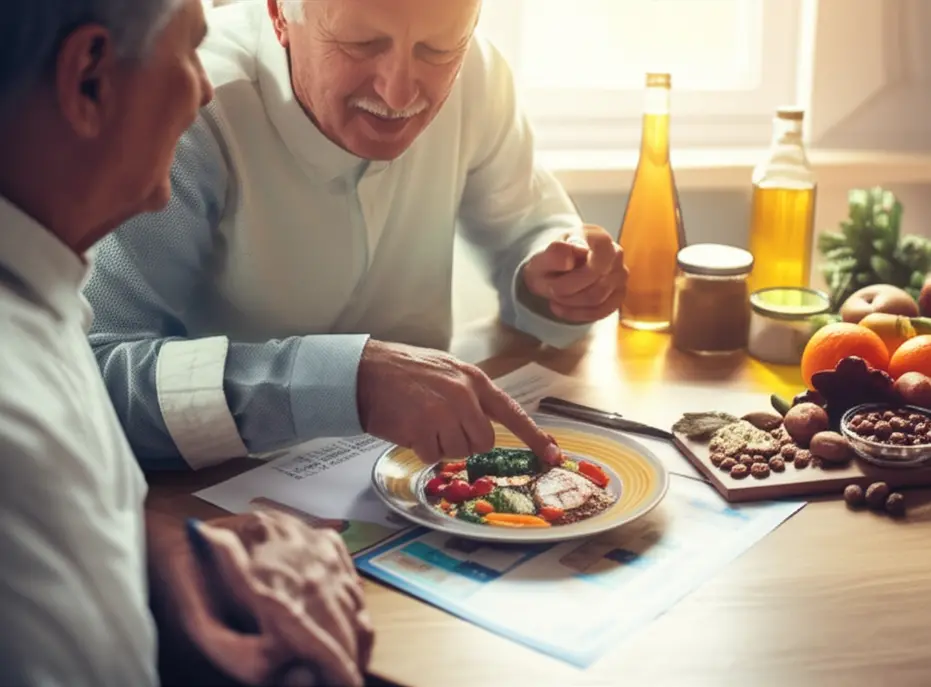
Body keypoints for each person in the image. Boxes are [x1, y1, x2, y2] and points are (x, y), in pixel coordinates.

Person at [83, 0, 628, 471]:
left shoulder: (481, 73)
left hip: (422, 474)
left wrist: (553, 277)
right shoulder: (191, 106)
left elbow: (527, 231)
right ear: (279, 14)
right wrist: (341, 383)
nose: (399, 93)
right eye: (362, 43)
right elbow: (95, 374)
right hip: (219, 503)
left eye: (438, 50)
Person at [0, 1, 372, 685]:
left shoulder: (40, 288)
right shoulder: (18, 439)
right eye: (190, 50)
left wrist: (160, 552)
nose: (203, 88)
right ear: (90, 82)